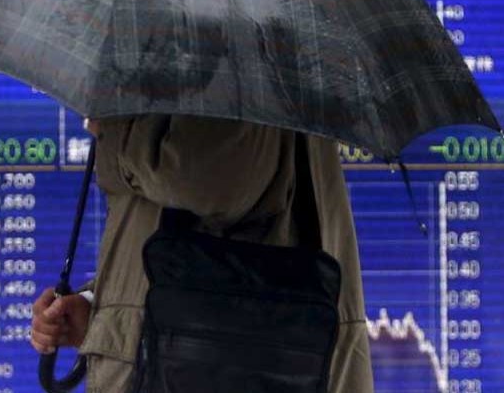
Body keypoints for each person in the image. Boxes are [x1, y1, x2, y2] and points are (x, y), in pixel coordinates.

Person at [31, 115, 374, 392]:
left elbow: (211, 178)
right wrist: (98, 305)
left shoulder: (225, 61)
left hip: (208, 367)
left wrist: (113, 132)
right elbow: (183, 237)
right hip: (209, 358)